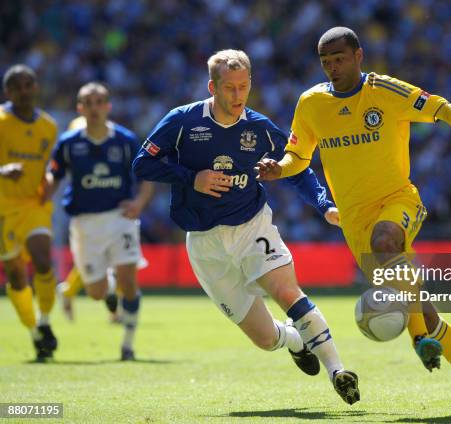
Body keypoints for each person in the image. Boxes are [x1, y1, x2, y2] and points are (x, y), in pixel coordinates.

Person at [256, 27, 451, 414]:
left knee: (385, 241)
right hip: (354, 221)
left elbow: (444, 109)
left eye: (339, 59)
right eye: (326, 62)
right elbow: (299, 158)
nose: (333, 68)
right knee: (423, 311)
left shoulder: (386, 91)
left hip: (398, 201)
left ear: (359, 56)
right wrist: (278, 169)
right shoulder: (311, 103)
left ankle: (420, 337)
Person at [133, 49, 360, 405]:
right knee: (265, 339)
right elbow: (141, 164)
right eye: (230, 88)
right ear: (212, 86)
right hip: (205, 244)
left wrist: (324, 204)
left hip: (252, 226)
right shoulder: (182, 121)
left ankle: (338, 370)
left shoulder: (259, 128)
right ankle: (296, 341)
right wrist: (192, 178)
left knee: (288, 293)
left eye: (244, 87)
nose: (238, 97)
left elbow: (296, 165)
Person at [46, 82, 154, 360]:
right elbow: (52, 180)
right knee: (95, 293)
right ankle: (105, 282)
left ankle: (128, 345)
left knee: (129, 283)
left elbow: (146, 178)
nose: (94, 108)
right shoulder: (69, 143)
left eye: (99, 102)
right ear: (80, 108)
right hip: (84, 224)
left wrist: (139, 203)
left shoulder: (126, 140)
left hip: (121, 219)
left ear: (108, 107)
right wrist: (34, 196)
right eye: (88, 103)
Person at [1, 64, 59, 361]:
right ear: (8, 92)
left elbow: (50, 165)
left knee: (42, 259)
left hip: (35, 204)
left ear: (35, 88)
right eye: (17, 86)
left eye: (28, 85)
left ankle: (46, 321)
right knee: (15, 275)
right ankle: (33, 329)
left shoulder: (48, 126)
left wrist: (49, 180)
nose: (24, 91)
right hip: (4, 207)